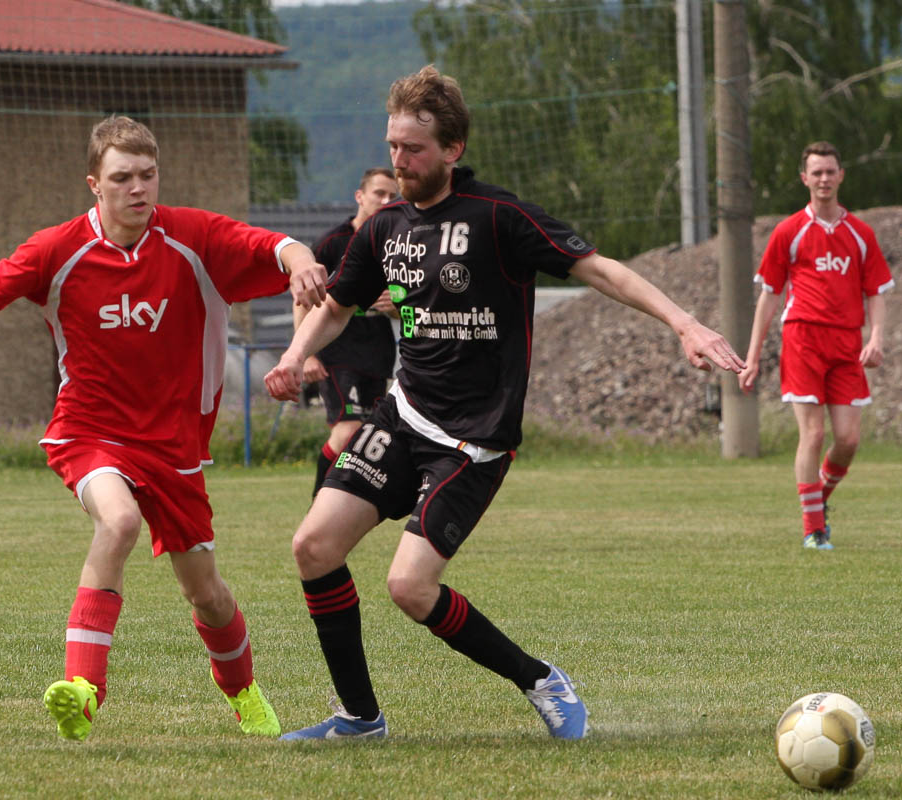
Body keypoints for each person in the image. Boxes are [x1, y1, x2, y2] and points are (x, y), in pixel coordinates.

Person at [263, 65, 745, 741]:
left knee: (410, 587)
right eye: (394, 146)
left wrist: (685, 324)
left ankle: (540, 679)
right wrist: (293, 357)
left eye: (415, 150)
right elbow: (338, 307)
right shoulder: (384, 228)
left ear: (453, 149)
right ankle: (359, 718)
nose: (400, 162)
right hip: (403, 416)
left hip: (474, 442)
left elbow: (600, 269)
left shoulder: (500, 217)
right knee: (313, 545)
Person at [0, 115, 327, 742]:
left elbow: (274, 245)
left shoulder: (193, 238)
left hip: (175, 447)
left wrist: (301, 261)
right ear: (94, 186)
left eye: (147, 175)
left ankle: (245, 695)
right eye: (122, 178)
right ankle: (82, 689)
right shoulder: (58, 249)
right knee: (119, 520)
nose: (138, 188)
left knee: (207, 593)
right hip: (89, 431)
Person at [739, 141, 893, 550]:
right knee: (812, 434)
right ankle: (814, 530)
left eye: (830, 171)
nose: (824, 179)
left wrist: (876, 338)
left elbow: (876, 290)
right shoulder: (789, 231)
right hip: (803, 339)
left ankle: (816, 503)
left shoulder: (860, 233)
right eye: (816, 172)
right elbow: (770, 295)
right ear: (804, 179)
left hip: (846, 344)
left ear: (841, 176)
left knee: (848, 440)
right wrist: (752, 358)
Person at [298, 167, 400, 497]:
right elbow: (303, 298)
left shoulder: (397, 244)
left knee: (369, 437)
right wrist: (307, 352)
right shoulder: (332, 242)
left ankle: (344, 505)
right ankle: (319, 505)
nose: (386, 201)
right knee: (347, 432)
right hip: (336, 352)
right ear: (360, 197)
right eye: (379, 194)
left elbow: (410, 301)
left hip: (378, 352)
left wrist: (396, 305)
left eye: (392, 196)